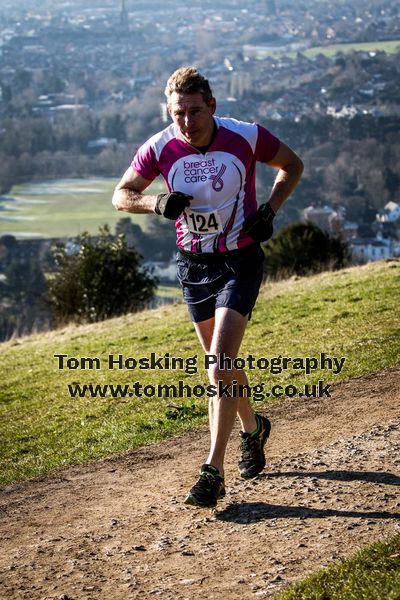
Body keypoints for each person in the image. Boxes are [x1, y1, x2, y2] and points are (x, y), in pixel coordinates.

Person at [112, 66, 303, 507]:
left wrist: (271, 209)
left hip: (240, 259)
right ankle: (255, 429)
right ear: (169, 111)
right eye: (178, 113)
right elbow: (121, 194)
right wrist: (155, 202)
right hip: (194, 265)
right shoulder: (160, 147)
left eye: (194, 111)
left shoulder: (246, 137)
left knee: (218, 363)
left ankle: (212, 471)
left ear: (212, 106)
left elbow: (292, 165)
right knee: (222, 364)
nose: (186, 122)